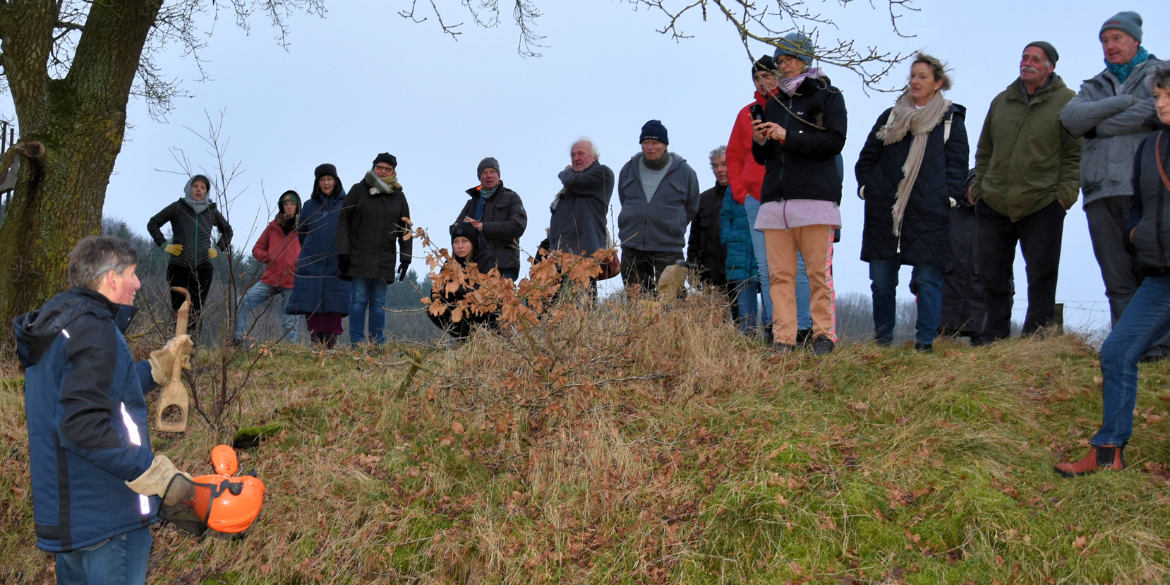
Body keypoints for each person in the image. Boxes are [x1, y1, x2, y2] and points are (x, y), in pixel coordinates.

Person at [14, 235, 194, 585]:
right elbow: (81, 425)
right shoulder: (96, 328)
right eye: (132, 274)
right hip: (109, 516)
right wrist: (152, 472)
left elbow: (87, 395)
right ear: (112, 279)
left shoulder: (60, 326)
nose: (138, 283)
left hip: (72, 518)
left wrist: (155, 368)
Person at [1055, 63, 1170, 477]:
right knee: (1117, 351)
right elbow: (1141, 202)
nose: (1160, 103)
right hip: (1160, 276)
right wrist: (1138, 232)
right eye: (1157, 97)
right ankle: (1108, 452)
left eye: (1167, 96)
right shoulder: (1152, 145)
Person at [1060, 12, 1167, 360]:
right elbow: (1072, 119)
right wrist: (1122, 103)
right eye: (1105, 40)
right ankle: (1130, 351)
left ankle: (1161, 349)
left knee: (1156, 275)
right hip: (1101, 192)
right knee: (1117, 281)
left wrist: (1100, 122)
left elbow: (1154, 112)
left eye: (1117, 38)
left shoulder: (1161, 72)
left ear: (1135, 40)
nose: (1110, 45)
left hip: (1148, 192)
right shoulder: (1092, 84)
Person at [969, 41, 1082, 344]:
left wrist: (1063, 198)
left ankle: (1037, 339)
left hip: (1043, 202)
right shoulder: (1001, 101)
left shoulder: (1069, 102)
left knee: (1042, 275)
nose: (1027, 63)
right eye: (1025, 57)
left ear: (1050, 67)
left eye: (1036, 59)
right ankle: (993, 335)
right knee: (992, 275)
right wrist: (978, 188)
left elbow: (1075, 156)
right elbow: (984, 150)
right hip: (994, 201)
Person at [856, 53, 970, 352]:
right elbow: (868, 157)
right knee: (881, 282)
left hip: (930, 211)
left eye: (922, 76)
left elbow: (957, 165)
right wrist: (869, 188)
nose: (915, 81)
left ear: (938, 83)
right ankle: (882, 344)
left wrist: (949, 197)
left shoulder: (950, 120)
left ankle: (925, 345)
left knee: (928, 280)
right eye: (913, 75)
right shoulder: (891, 116)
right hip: (885, 211)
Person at [751, 33, 847, 355]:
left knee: (818, 274)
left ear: (806, 59)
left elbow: (834, 143)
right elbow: (764, 159)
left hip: (815, 201)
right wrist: (761, 140)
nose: (783, 66)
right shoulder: (774, 102)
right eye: (779, 61)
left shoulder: (828, 96)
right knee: (779, 277)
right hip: (775, 203)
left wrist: (788, 136)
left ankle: (823, 336)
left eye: (789, 59)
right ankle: (783, 339)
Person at [727, 55, 813, 343]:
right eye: (757, 77)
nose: (763, 82)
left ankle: (802, 327)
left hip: (791, 196)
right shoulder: (747, 113)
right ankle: (777, 328)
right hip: (756, 198)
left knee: (799, 266)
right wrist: (741, 193)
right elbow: (735, 156)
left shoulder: (792, 106)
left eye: (768, 75)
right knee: (768, 269)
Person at [617, 120, 700, 294]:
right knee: (636, 302)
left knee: (670, 300)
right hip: (633, 246)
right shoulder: (628, 169)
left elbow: (692, 207)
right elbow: (624, 199)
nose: (650, 147)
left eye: (655, 142)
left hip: (668, 247)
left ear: (665, 145)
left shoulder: (685, 172)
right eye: (645, 142)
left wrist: (673, 225)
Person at [338, 153, 413, 345]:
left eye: (388, 169)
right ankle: (356, 343)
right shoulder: (358, 190)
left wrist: (406, 258)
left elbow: (405, 229)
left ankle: (377, 343)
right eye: (380, 167)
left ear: (393, 172)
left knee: (379, 304)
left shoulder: (399, 196)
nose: (383, 171)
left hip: (384, 259)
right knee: (358, 301)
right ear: (373, 168)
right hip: (358, 257)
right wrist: (343, 252)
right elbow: (343, 222)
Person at [146, 175, 232, 340]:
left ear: (207, 191)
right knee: (179, 310)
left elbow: (227, 230)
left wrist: (218, 248)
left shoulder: (211, 211)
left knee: (197, 310)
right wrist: (165, 245)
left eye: (203, 187)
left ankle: (191, 351)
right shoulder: (178, 207)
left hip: (204, 270)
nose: (199, 190)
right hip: (178, 267)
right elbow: (153, 223)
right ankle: (175, 348)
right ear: (189, 188)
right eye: (196, 186)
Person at [285, 164, 351, 349]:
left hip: (338, 262)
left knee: (334, 306)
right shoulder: (309, 205)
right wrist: (312, 250)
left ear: (336, 180)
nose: (326, 183)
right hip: (312, 262)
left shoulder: (346, 204)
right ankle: (316, 344)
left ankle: (330, 346)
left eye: (329, 179)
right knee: (313, 306)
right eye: (322, 180)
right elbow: (303, 232)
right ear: (317, 183)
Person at [234, 190, 301, 346]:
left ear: (298, 207)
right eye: (286, 204)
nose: (289, 207)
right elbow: (257, 249)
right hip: (270, 278)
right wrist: (270, 257)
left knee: (289, 322)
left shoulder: (303, 228)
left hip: (292, 281)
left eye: (292, 204)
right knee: (242, 302)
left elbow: (310, 251)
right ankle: (237, 341)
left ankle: (287, 353)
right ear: (281, 206)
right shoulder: (273, 227)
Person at [455, 157, 528, 281]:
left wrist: (483, 227)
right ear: (479, 177)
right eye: (484, 172)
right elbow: (455, 229)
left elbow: (518, 226)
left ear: (498, 175)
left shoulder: (512, 198)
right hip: (475, 268)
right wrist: (465, 228)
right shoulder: (472, 202)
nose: (489, 176)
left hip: (504, 267)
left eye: (492, 171)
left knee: (501, 300)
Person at [428, 223, 499, 339]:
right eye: (456, 242)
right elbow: (436, 291)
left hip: (484, 313)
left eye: (465, 241)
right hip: (459, 310)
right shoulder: (450, 264)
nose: (460, 246)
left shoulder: (486, 260)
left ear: (472, 242)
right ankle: (462, 337)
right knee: (433, 308)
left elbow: (488, 294)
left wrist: (460, 289)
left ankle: (482, 338)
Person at [940, 170, 987, 340]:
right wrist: (917, 285)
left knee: (984, 358)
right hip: (946, 297)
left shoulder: (994, 221)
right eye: (974, 188)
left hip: (978, 301)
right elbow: (932, 250)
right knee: (936, 357)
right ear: (966, 187)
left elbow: (1003, 263)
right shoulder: (948, 213)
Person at [687, 146, 733, 318]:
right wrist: (692, 269)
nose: (720, 170)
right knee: (713, 327)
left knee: (743, 327)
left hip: (738, 275)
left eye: (724, 164)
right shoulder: (704, 199)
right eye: (715, 166)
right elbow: (694, 239)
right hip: (710, 276)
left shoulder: (746, 198)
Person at [551, 139, 615, 258]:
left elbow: (572, 181)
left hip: (584, 255)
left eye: (581, 153)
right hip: (562, 257)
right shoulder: (570, 190)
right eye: (573, 155)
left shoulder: (602, 173)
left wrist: (566, 172)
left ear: (594, 157)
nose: (576, 158)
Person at [720, 159, 759, 335]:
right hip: (739, 249)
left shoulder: (768, 179)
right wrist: (729, 238)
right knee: (743, 304)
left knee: (771, 294)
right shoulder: (735, 185)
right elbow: (725, 215)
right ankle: (747, 338)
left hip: (763, 246)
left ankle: (771, 334)